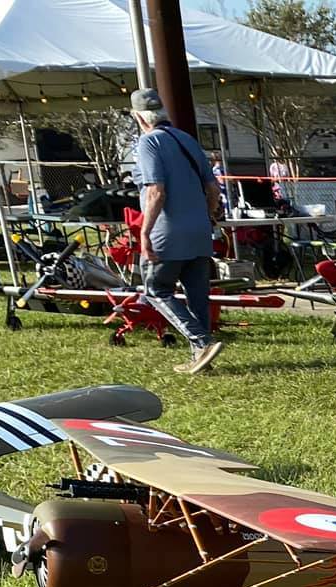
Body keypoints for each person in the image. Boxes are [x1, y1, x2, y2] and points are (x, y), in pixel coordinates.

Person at [132, 89, 226, 376]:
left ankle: (201, 341)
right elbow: (213, 188)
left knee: (156, 288)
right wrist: (209, 216)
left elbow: (156, 191)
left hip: (168, 232)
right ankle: (201, 355)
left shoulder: (149, 143)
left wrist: (145, 233)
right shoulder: (187, 139)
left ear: (138, 117)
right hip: (199, 230)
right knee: (198, 294)